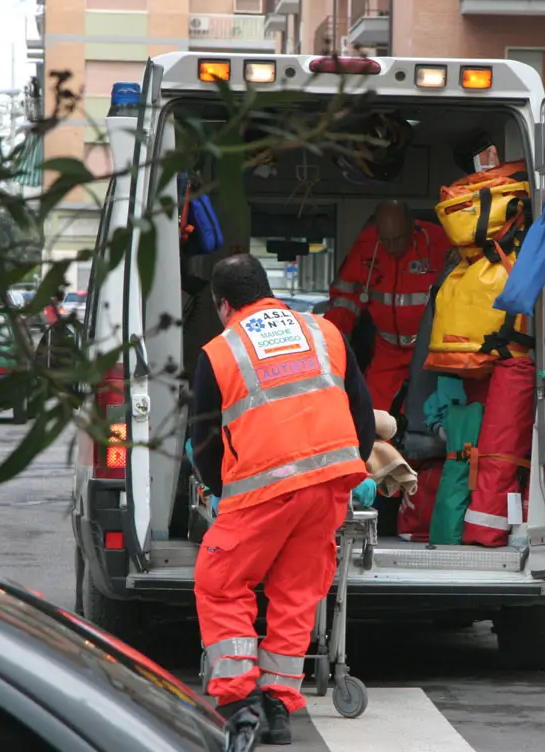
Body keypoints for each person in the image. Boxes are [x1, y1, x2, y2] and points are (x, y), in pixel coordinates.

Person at [188, 254, 375, 745]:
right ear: (268, 290)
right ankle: (277, 709)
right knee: (296, 593)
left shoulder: (220, 351)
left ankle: (239, 701)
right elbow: (362, 416)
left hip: (260, 489)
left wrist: (219, 489)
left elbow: (204, 441)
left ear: (222, 304)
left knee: (220, 580)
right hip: (328, 485)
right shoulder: (324, 333)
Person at [324, 200, 452, 415]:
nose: (392, 247)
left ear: (412, 226)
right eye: (386, 240)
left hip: (426, 350)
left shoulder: (438, 240)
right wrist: (330, 344)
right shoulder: (367, 246)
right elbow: (345, 299)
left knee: (424, 413)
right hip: (387, 350)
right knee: (371, 413)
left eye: (399, 239)